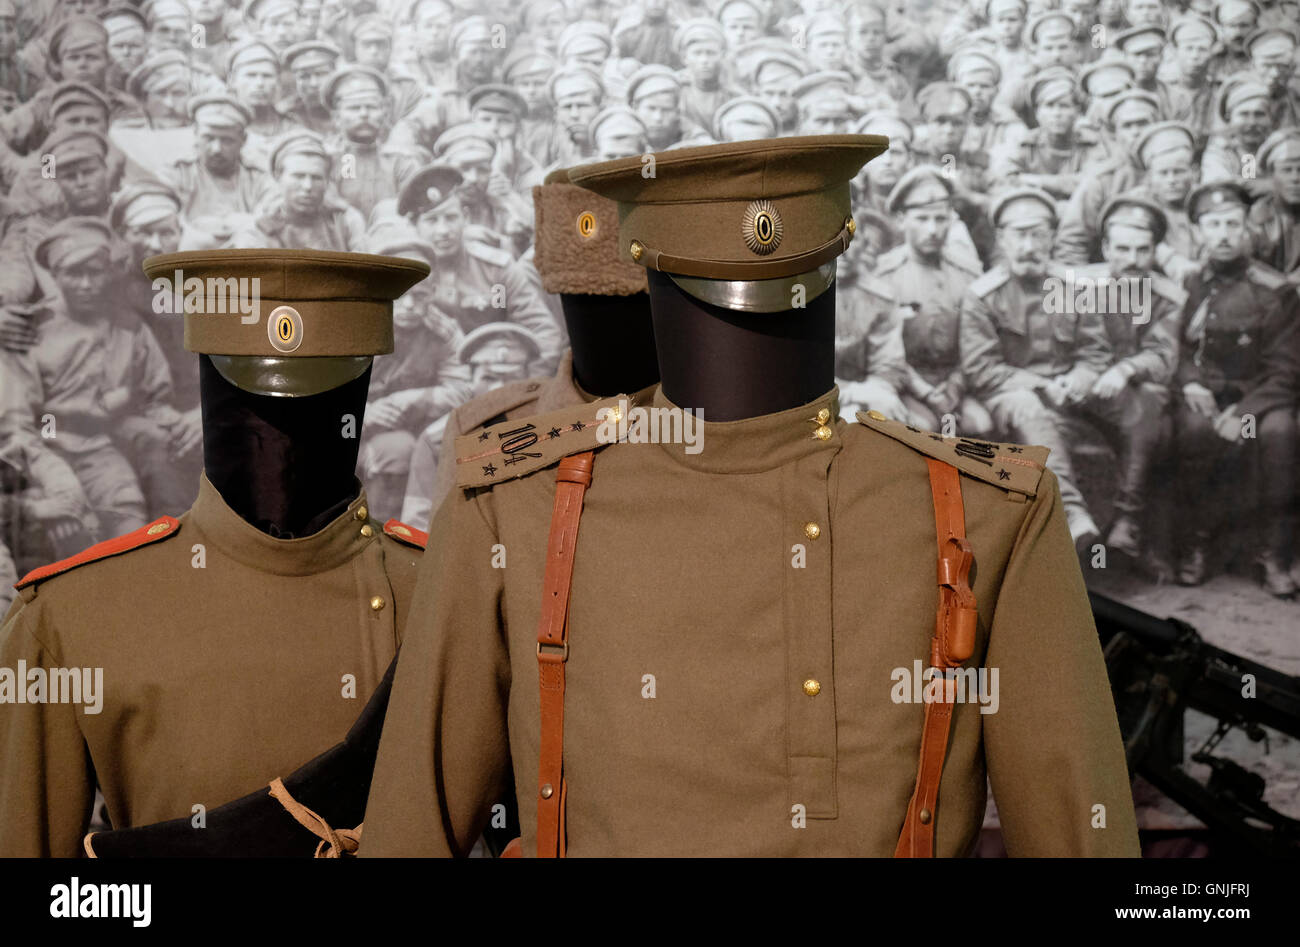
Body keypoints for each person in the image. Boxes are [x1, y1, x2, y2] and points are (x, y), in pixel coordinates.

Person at [360, 134, 1140, 858]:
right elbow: (412, 821)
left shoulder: (992, 508)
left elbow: (1079, 826)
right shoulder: (510, 496)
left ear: (646, 268)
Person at [0, 248, 433, 857]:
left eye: (319, 404)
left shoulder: (448, 592)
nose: (289, 426)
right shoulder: (69, 615)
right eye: (261, 409)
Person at [960, 187, 1112, 551]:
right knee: (1028, 406)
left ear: (1053, 238)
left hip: (1070, 397)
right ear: (1002, 240)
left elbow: (1096, 354)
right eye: (1019, 235)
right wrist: (1042, 385)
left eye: (1038, 234)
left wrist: (1079, 379)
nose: (1029, 246)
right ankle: (1071, 514)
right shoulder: (983, 295)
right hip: (1007, 398)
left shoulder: (1075, 288)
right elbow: (981, 369)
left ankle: (1127, 536)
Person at [1173, 180, 1300, 596]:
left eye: (1233, 223)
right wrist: (1190, 381)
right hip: (1204, 394)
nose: (1224, 234)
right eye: (1213, 224)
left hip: (1262, 397)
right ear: (1198, 231)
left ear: (1248, 229)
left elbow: (1286, 369)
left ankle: (1274, 555)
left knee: (1280, 435)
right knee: (1193, 431)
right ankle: (1197, 543)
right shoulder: (1185, 285)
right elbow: (1170, 346)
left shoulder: (1276, 290)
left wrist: (1246, 412)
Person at [877, 166, 990, 435]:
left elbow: (980, 342)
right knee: (920, 429)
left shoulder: (970, 272)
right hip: (906, 384)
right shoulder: (884, 275)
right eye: (922, 219)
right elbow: (883, 351)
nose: (933, 229)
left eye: (940, 219)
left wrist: (954, 387)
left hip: (958, 383)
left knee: (981, 426)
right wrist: (927, 393)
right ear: (902, 220)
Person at [1248, 127, 1300, 276]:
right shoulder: (1257, 217)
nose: (1295, 178)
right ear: (1271, 174)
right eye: (1286, 170)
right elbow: (1246, 263)